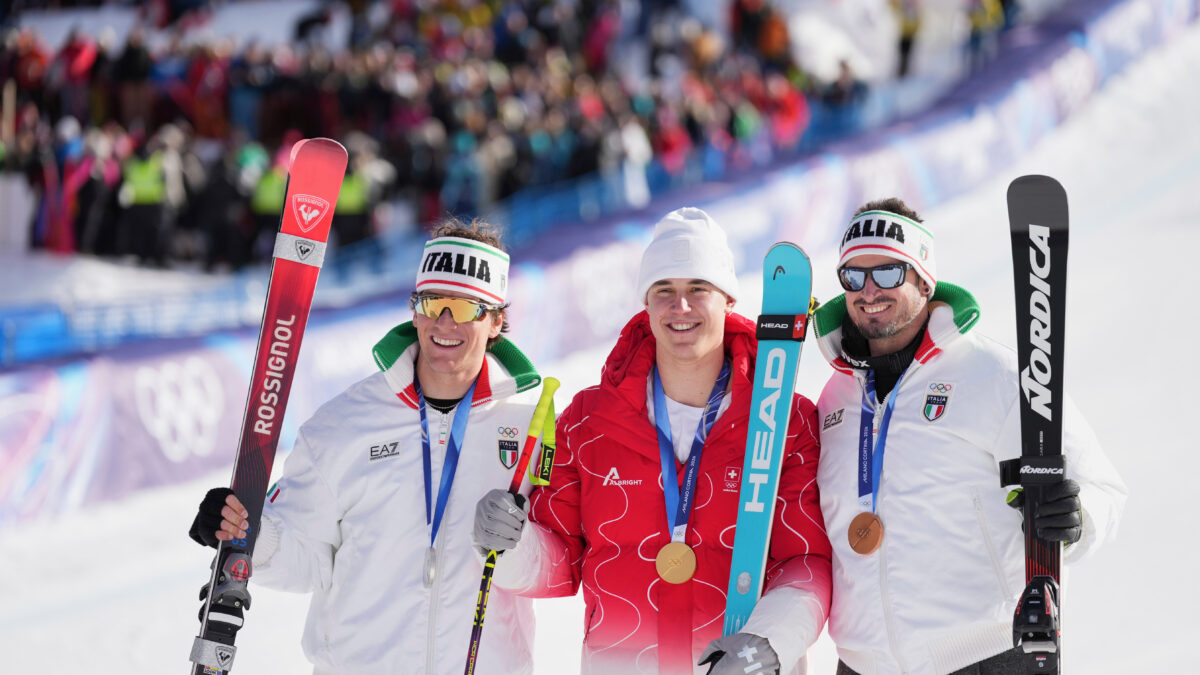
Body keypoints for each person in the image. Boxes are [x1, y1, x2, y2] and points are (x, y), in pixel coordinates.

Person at [472, 207, 832, 674]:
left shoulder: (784, 419)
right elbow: (560, 566)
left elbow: (806, 561)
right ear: (646, 302)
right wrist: (510, 546)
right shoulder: (587, 421)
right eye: (664, 290)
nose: (679, 307)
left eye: (698, 289)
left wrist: (768, 641)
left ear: (727, 300)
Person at [189, 219, 546, 674]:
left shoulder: (531, 428)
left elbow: (558, 565)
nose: (444, 322)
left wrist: (520, 544)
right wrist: (249, 536)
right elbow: (305, 556)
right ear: (414, 309)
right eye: (432, 301)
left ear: (497, 319)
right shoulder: (343, 426)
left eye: (465, 306)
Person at [810, 198, 1127, 674]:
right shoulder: (834, 400)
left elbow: (1102, 487)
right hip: (861, 664)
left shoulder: (993, 374)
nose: (868, 290)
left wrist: (1079, 518)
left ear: (923, 278)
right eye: (853, 276)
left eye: (889, 274)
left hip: (984, 657)